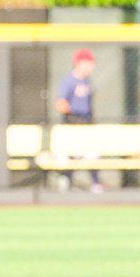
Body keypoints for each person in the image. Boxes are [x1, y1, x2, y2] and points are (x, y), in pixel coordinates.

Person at [54, 48, 103, 193]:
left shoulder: (88, 81)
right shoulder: (69, 80)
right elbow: (60, 103)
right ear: (79, 63)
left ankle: (95, 183)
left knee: (91, 154)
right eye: (88, 63)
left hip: (87, 123)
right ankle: (65, 182)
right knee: (71, 155)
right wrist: (74, 113)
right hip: (72, 122)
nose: (91, 67)